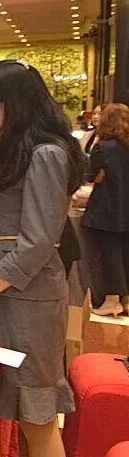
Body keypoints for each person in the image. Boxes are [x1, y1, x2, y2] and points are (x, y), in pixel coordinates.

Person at [0, 59, 84, 457]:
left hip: (29, 296)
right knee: (26, 412)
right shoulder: (27, 150)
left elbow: (37, 242)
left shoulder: (46, 154)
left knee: (38, 416)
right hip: (17, 293)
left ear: (11, 102)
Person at [82, 103, 129, 317]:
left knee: (109, 254)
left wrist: (98, 176)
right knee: (124, 252)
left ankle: (111, 300)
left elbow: (91, 175)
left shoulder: (103, 147)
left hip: (106, 208)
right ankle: (126, 300)